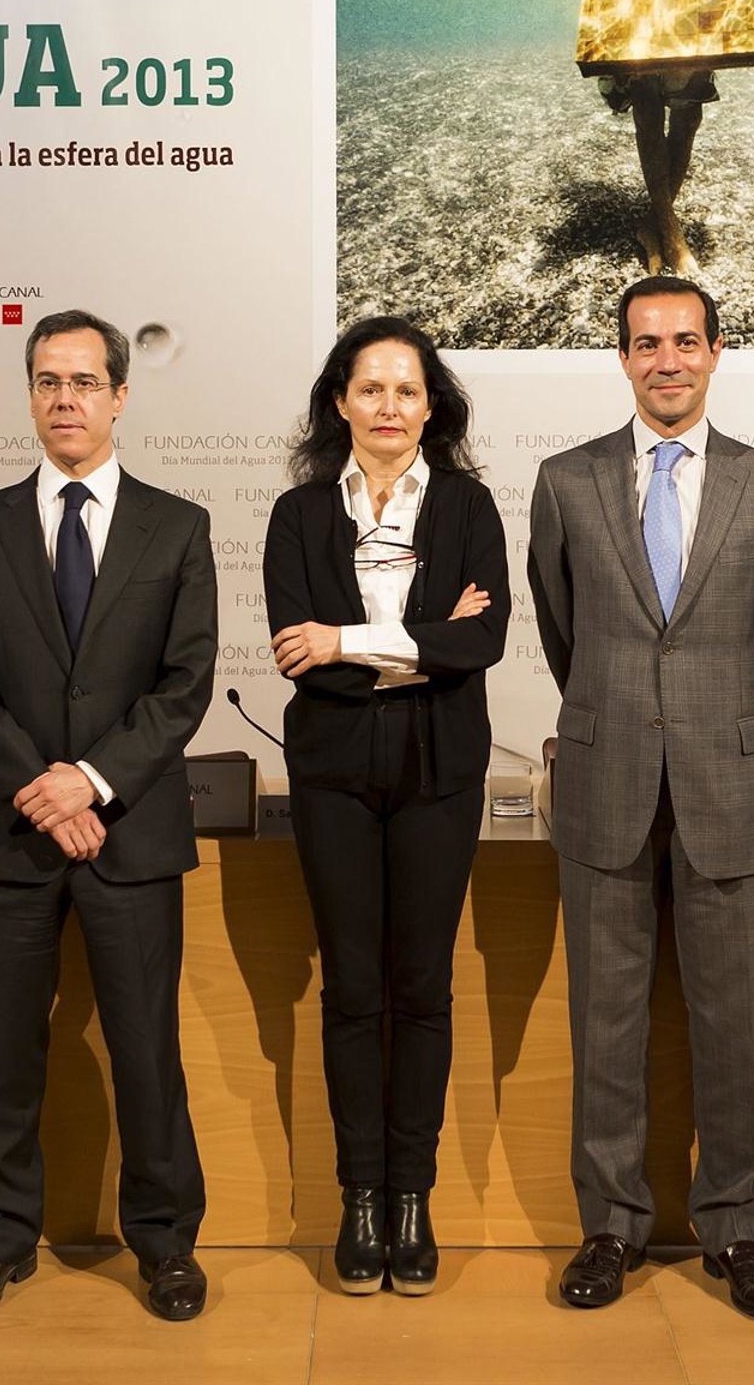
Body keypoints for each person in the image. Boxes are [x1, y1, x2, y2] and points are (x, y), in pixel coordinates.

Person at [528, 278, 754, 1320]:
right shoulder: (564, 481)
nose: (667, 361)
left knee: (735, 1020)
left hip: (726, 779)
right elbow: (562, 629)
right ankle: (609, 1224)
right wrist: (625, 714)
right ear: (622, 359)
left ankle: (736, 1227)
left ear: (716, 352)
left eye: (686, 341)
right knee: (605, 1021)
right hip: (605, 778)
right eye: (647, 344)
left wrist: (713, 722)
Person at [0, 309, 216, 1325]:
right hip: (12, 835)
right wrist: (40, 791)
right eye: (49, 381)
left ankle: (165, 1244)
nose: (67, 399)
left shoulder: (176, 527)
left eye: (85, 381)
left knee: (146, 1050)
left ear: (120, 396)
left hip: (128, 832)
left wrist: (89, 782)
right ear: (30, 396)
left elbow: (184, 684)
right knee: (4, 1053)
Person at [263, 317, 510, 1297]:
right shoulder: (298, 514)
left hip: (438, 769)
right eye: (371, 389)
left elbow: (481, 645)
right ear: (340, 402)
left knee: (423, 989)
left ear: (431, 405)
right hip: (333, 771)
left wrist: (348, 637)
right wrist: (418, 638)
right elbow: (298, 652)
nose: (390, 408)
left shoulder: (468, 505)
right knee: (352, 991)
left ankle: (414, 1198)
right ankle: (358, 1199)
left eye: (408, 391)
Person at [601, 0, 732, 276]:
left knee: (688, 116)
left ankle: (653, 223)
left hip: (693, 9)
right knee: (648, 112)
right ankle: (671, 233)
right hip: (646, 9)